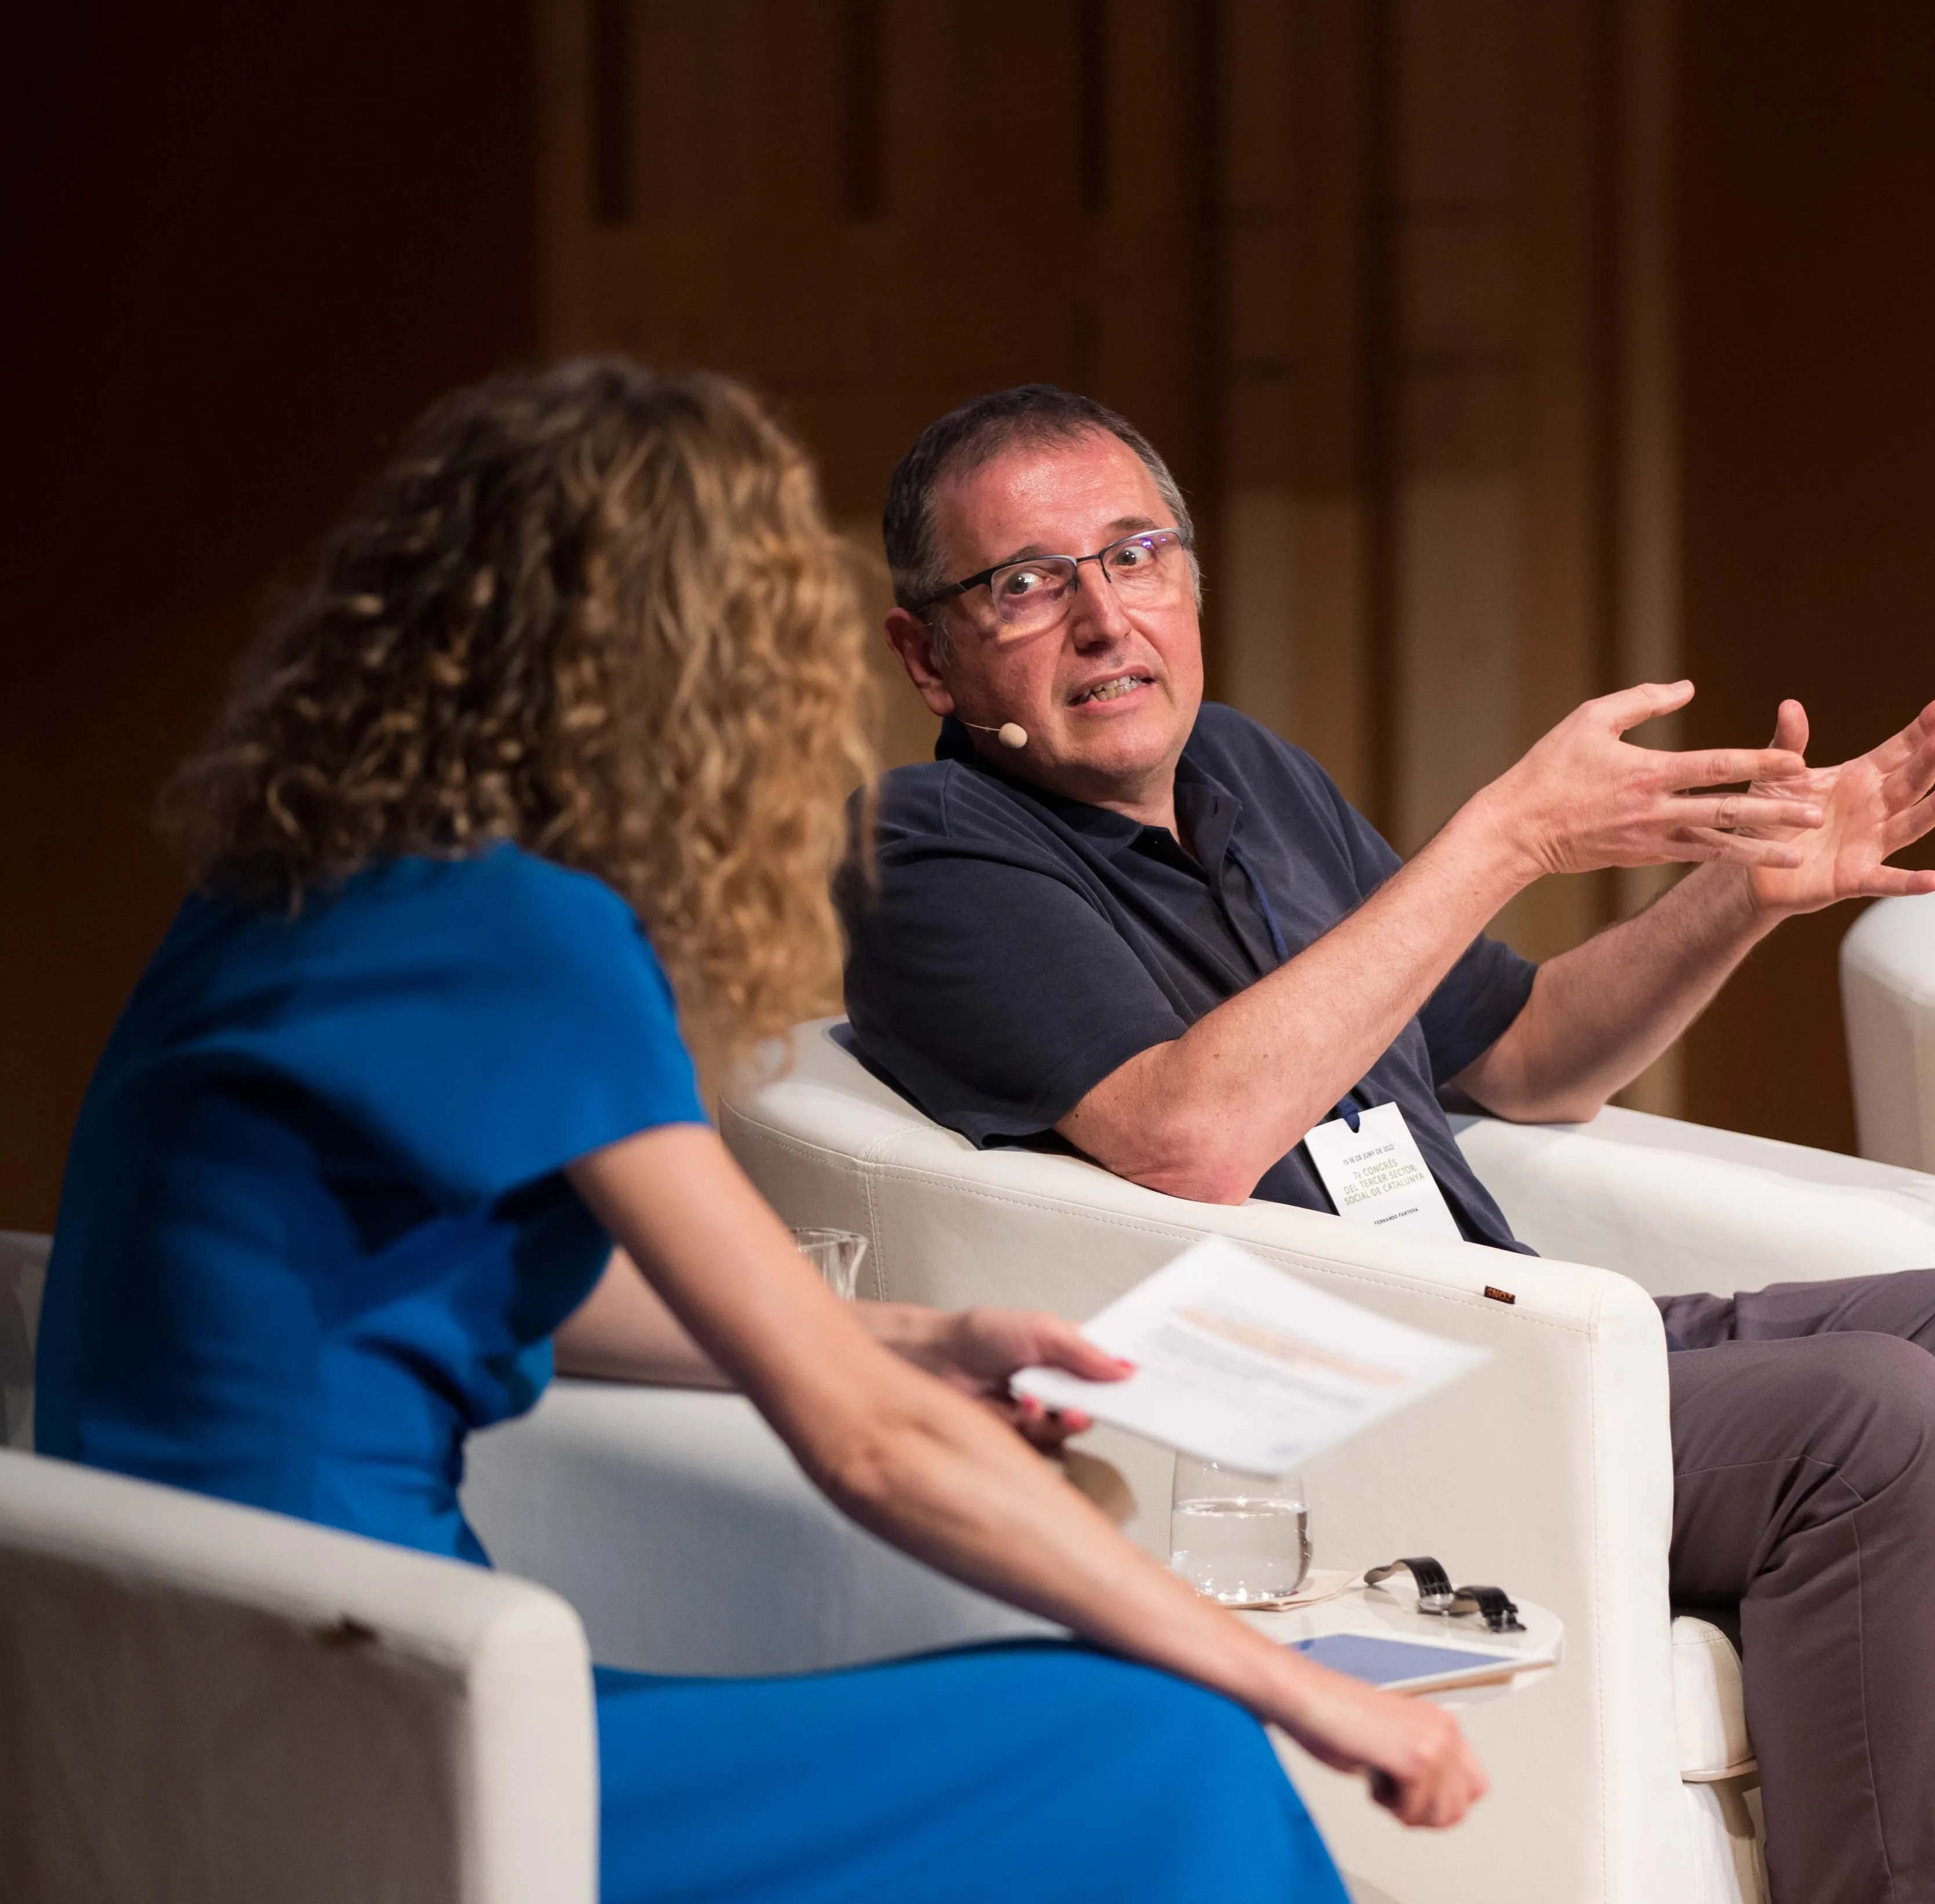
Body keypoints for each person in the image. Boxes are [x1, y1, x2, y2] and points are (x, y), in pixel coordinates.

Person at [35, 360, 1486, 1903]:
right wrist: (1300, 1689)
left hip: (177, 1692)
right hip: (383, 1730)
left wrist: (913, 1336)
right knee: (1165, 1742)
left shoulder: (293, 888)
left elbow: (405, 1277)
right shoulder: (524, 934)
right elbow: (863, 1451)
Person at [838, 383, 1935, 1904]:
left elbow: (1532, 1056)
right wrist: (1504, 838)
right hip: (1348, 1415)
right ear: (929, 655)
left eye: (1137, 553)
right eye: (1027, 584)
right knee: (1867, 1416)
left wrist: (1740, 896)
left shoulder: (1250, 775)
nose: (1104, 617)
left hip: (1537, 1332)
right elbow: (1184, 1138)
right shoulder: (927, 852)